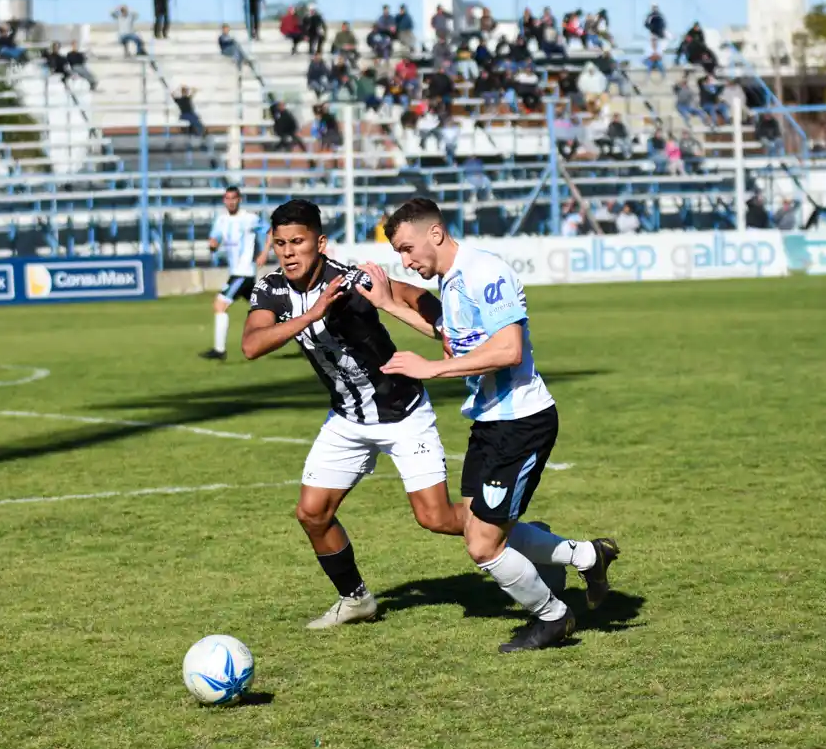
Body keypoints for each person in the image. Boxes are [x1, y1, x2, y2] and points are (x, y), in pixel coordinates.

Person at [241, 199, 607, 635]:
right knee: (311, 513)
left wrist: (443, 332)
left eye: (297, 242)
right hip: (347, 418)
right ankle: (355, 599)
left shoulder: (352, 280)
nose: (288, 252)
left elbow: (417, 298)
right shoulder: (271, 290)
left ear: (319, 243)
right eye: (280, 243)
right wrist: (312, 314)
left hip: (402, 412)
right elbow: (252, 344)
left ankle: (533, 545)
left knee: (437, 518)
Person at [373, 197, 620, 652]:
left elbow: (508, 349)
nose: (405, 262)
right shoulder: (451, 282)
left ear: (435, 233)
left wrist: (429, 369)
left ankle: (553, 617)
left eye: (408, 249)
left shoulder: (486, 272)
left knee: (483, 546)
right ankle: (587, 555)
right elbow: (454, 340)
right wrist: (389, 303)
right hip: (489, 421)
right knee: (473, 524)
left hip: (522, 422)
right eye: (399, 256)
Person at [200, 187, 269, 360]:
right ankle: (303, 335)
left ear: (239, 199)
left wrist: (264, 253)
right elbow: (214, 239)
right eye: (227, 199)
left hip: (243, 273)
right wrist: (213, 244)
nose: (230, 202)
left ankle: (219, 350)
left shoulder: (249, 218)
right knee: (265, 309)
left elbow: (270, 231)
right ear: (224, 200)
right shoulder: (221, 220)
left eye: (234, 198)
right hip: (236, 272)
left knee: (220, 305)